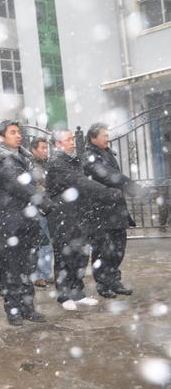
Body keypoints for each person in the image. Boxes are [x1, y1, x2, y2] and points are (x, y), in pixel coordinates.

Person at [0, 120, 55, 326]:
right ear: (1, 137)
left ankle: (28, 308)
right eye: (13, 132)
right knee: (10, 268)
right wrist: (43, 200)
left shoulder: (24, 157)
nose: (18, 136)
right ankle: (13, 310)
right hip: (8, 220)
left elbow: (36, 181)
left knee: (27, 267)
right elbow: (18, 185)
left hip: (27, 219)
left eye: (19, 132)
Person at [46, 130, 120, 311]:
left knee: (80, 255)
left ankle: (77, 292)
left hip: (78, 214)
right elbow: (79, 181)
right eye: (68, 140)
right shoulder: (56, 163)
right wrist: (106, 192)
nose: (72, 142)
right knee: (65, 255)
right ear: (57, 144)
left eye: (72, 139)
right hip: (62, 216)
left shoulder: (73, 160)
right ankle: (64, 295)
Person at [83, 123, 145, 298]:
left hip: (115, 208)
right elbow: (109, 175)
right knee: (103, 249)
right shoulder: (89, 156)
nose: (107, 139)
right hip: (100, 210)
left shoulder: (106, 153)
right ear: (93, 138)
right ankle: (103, 283)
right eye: (104, 135)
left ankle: (114, 280)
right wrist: (135, 188)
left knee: (118, 248)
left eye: (107, 135)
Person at [30, 137, 54, 288]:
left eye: (47, 148)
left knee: (47, 242)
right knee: (39, 242)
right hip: (37, 208)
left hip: (47, 207)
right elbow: (37, 187)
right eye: (43, 148)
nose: (46, 151)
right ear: (34, 150)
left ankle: (46, 273)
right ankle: (38, 275)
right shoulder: (32, 165)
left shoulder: (46, 164)